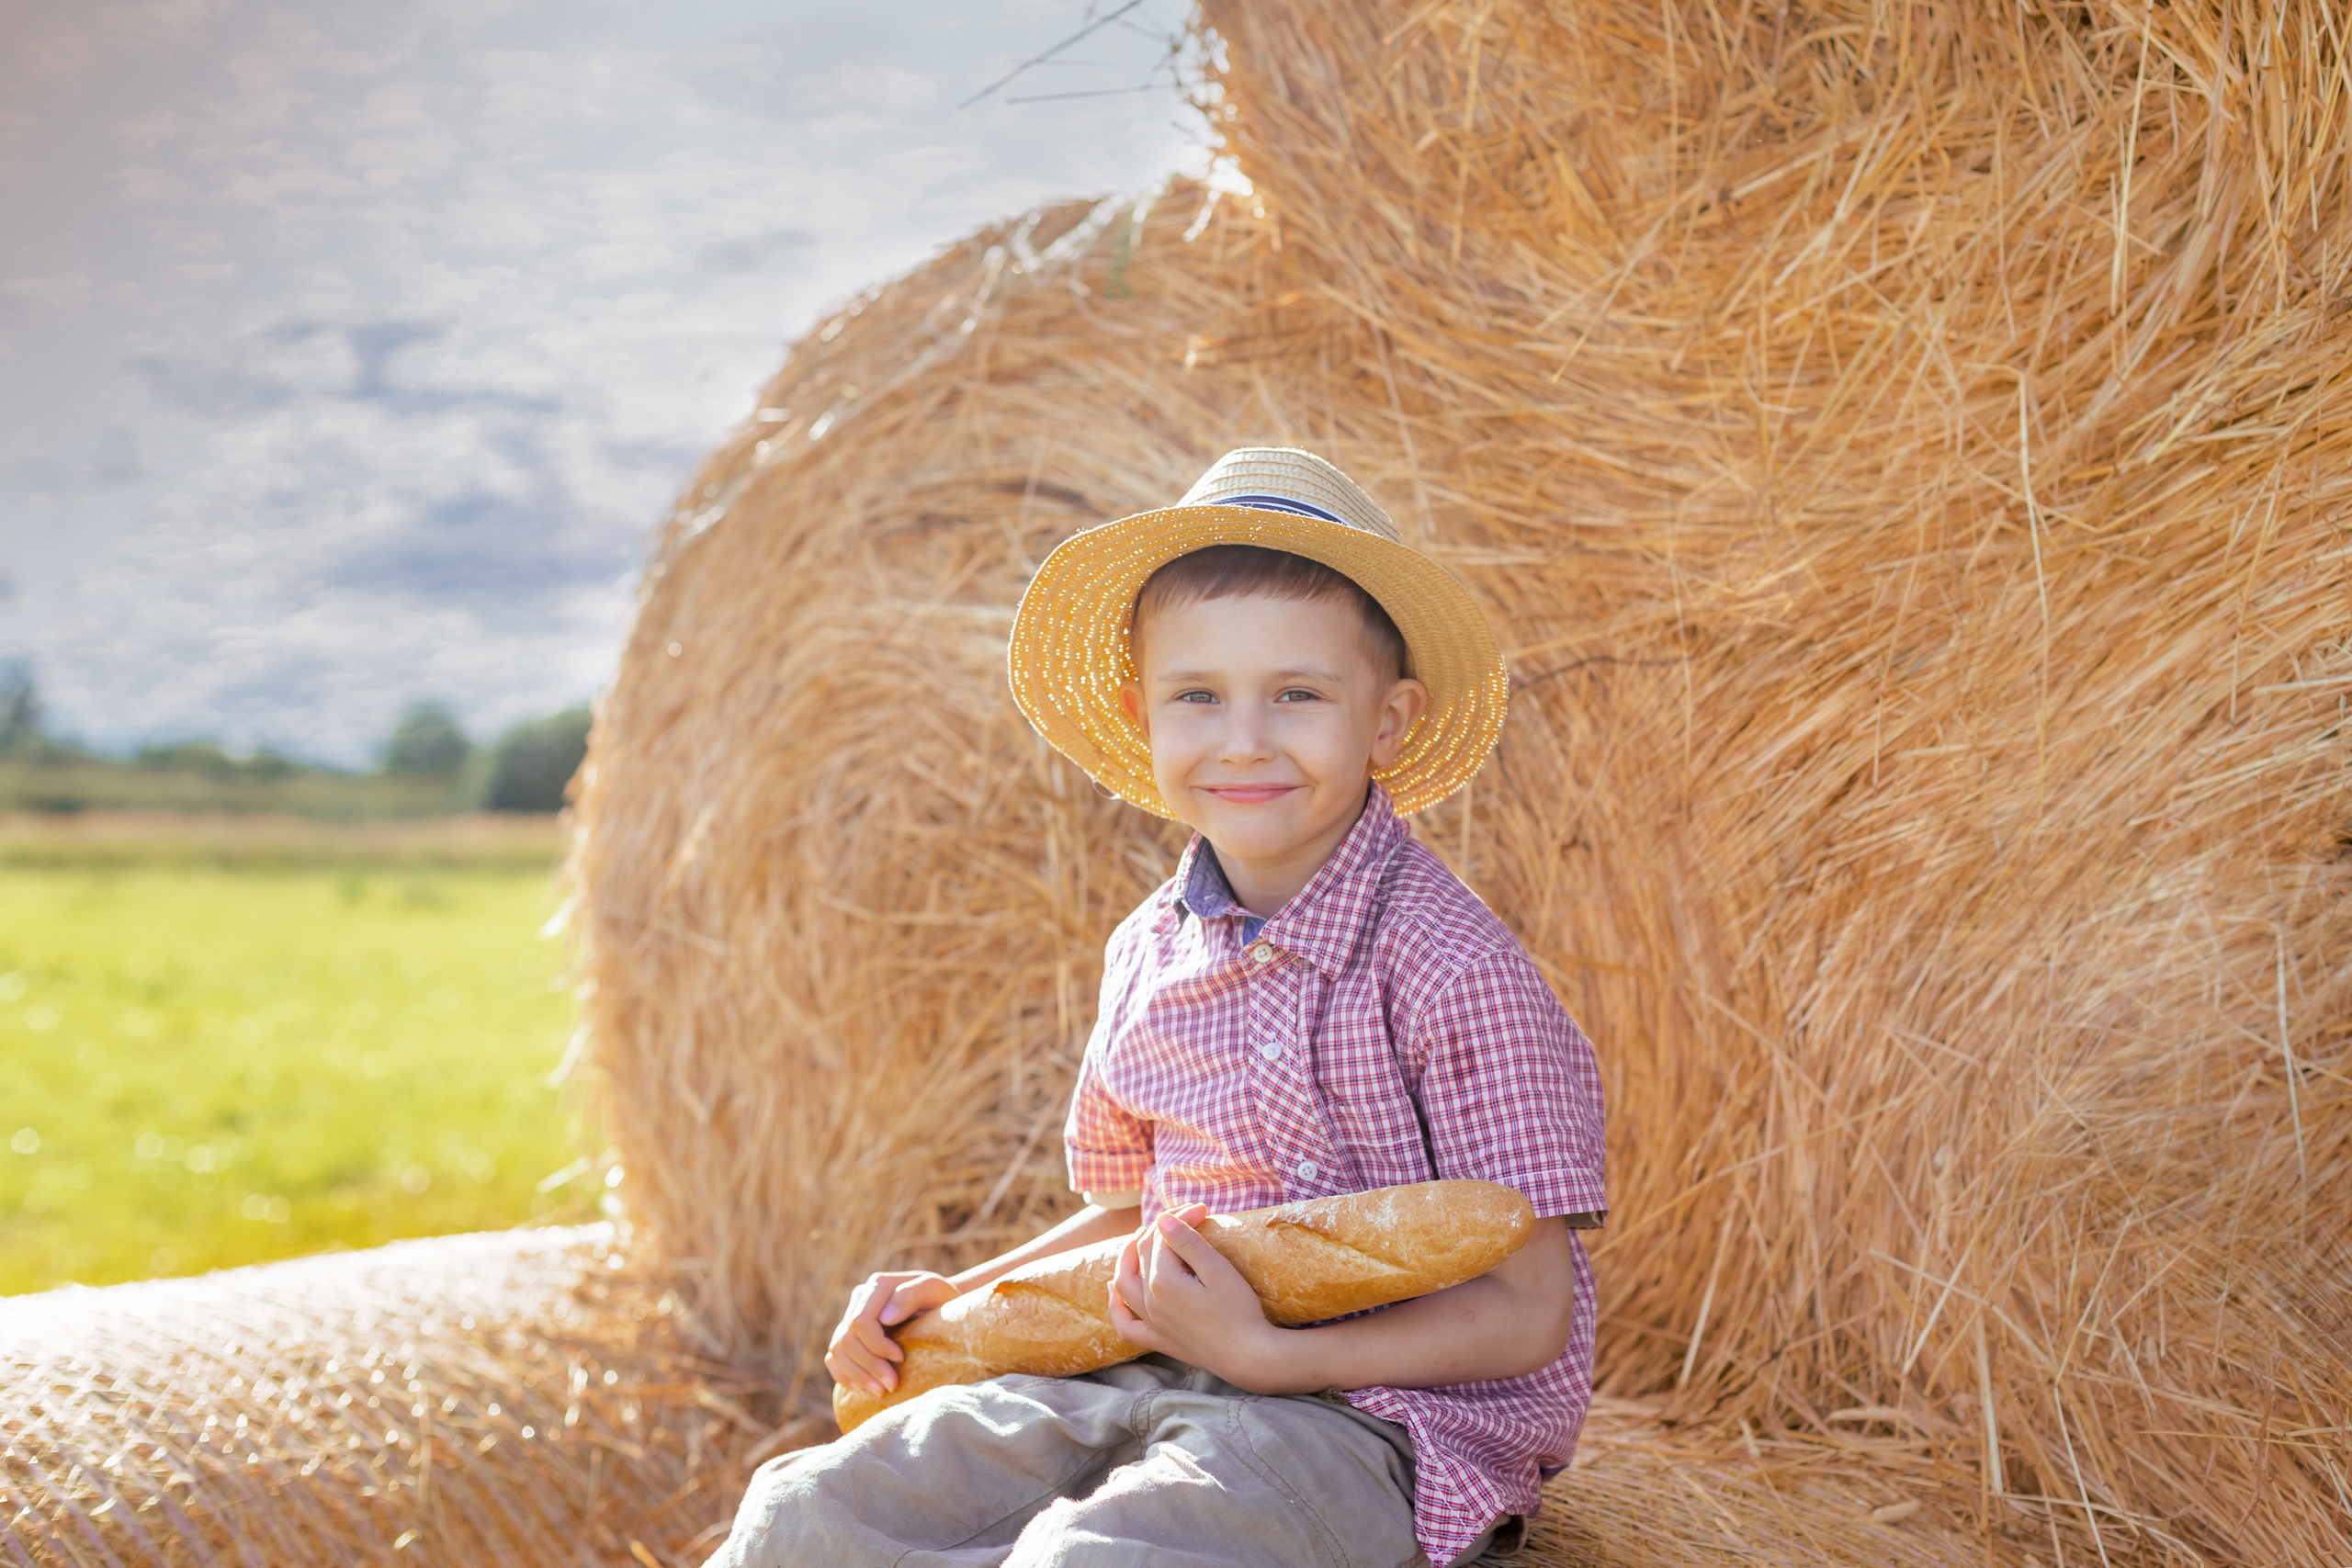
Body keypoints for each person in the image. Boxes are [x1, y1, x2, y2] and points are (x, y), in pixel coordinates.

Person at [715, 448, 1608, 1567]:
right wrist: (953, 1300)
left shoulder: (1453, 969)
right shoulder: (1144, 952)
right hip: (1127, 1372)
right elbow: (1130, 1217)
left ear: (1388, 721)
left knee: (1096, 1562)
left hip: (1361, 1422)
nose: (1243, 738)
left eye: (1296, 694)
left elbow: (1527, 1310)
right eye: (1198, 696)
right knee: (800, 1516)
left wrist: (1271, 1357)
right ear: (1143, 717)